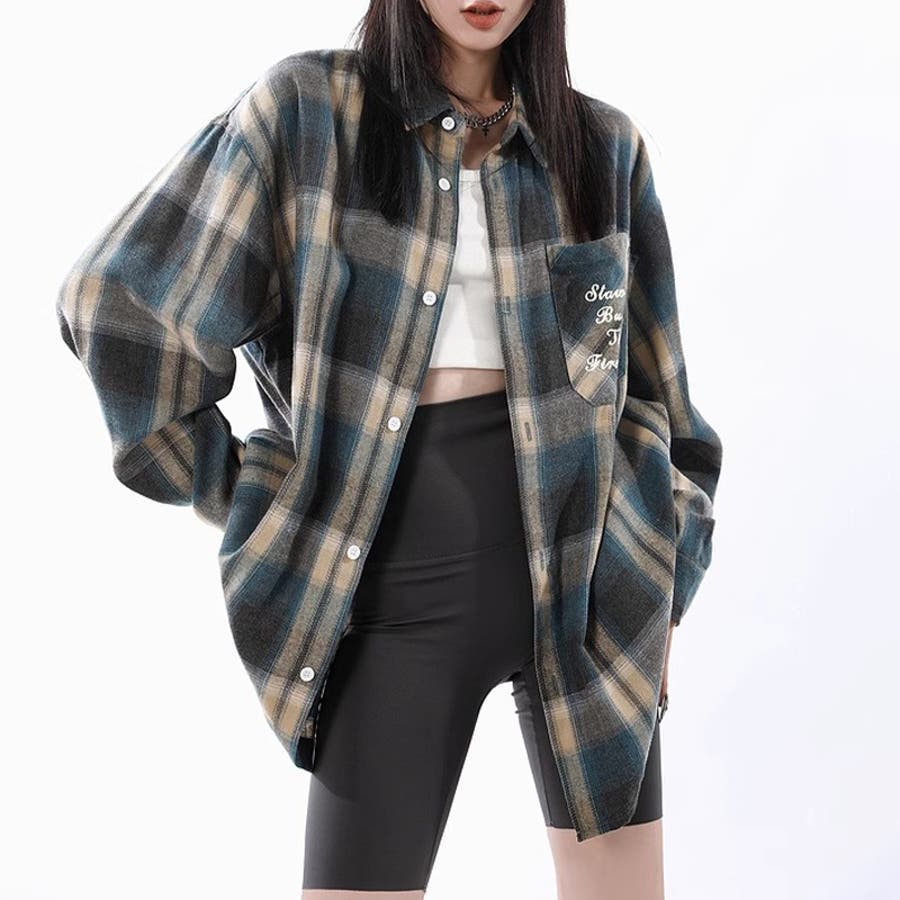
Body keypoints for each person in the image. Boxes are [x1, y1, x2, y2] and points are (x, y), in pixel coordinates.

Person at [55, 1, 723, 897]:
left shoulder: (602, 147)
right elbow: (120, 309)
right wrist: (258, 494)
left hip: (592, 596)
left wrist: (666, 587)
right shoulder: (306, 112)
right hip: (398, 605)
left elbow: (662, 403)